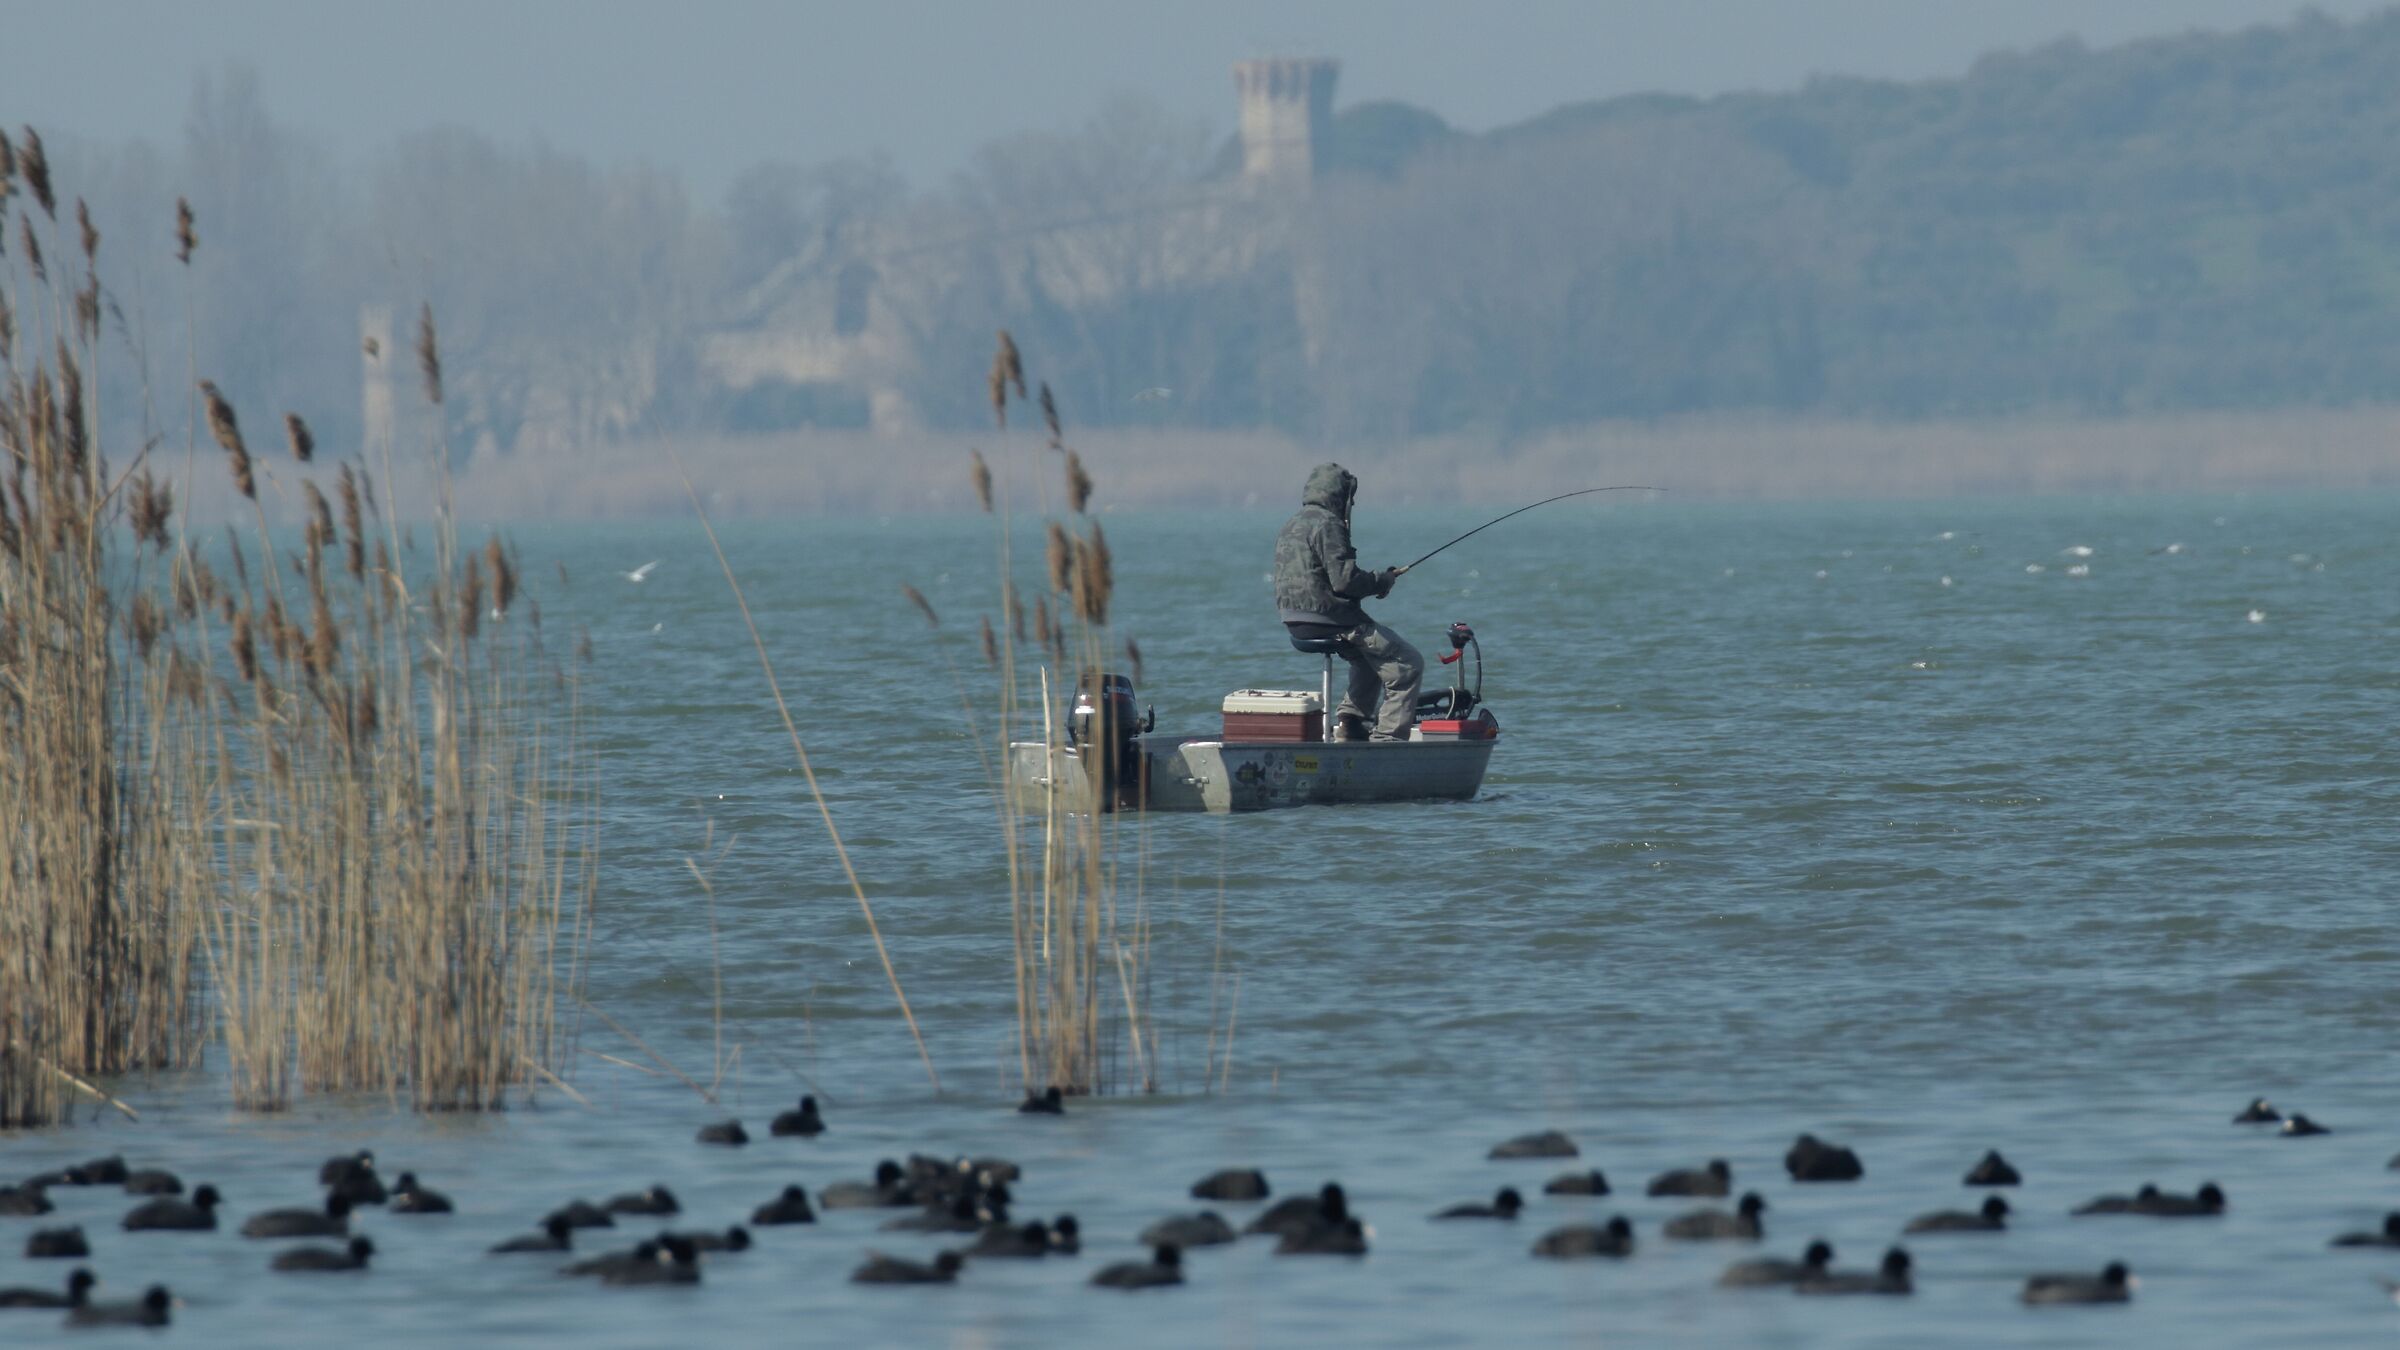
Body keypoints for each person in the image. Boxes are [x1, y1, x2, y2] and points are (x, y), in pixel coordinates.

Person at [1273, 463, 1423, 741]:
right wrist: (1382, 581)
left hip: (1294, 620)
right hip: (1329, 619)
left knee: (1369, 660)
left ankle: (1352, 724)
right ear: (1339, 495)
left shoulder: (1292, 523)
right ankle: (1388, 740)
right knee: (1408, 663)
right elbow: (1344, 581)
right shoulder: (1328, 523)